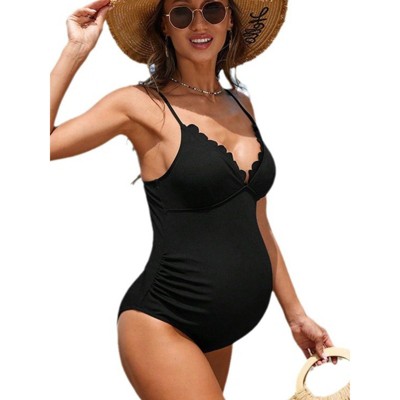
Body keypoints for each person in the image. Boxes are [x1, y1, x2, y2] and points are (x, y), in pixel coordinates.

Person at [50, 0, 338, 398]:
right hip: (163, 322)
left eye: (212, 9)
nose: (199, 24)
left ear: (230, 19)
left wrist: (296, 315)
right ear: (165, 27)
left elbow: (257, 221)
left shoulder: (241, 104)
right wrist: (76, 50)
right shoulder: (140, 105)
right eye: (183, 13)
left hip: (221, 331)